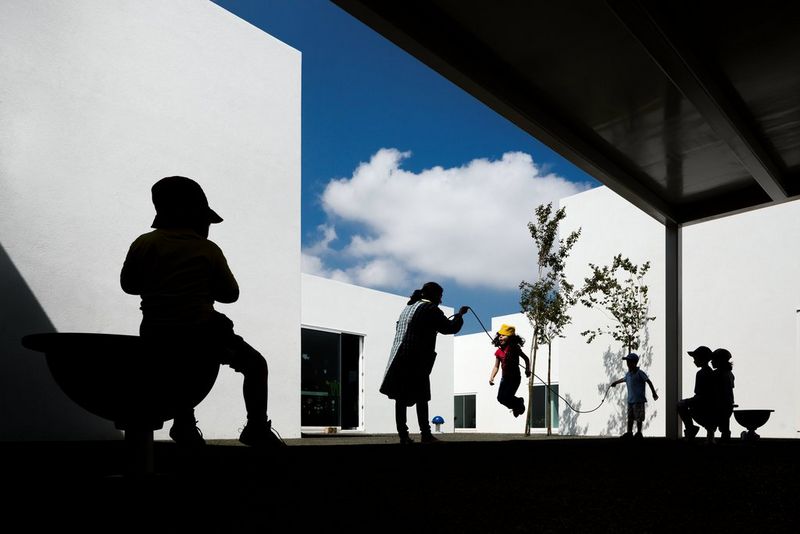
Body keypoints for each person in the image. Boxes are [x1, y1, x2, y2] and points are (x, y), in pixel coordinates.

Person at [120, 176, 284, 448]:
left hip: (155, 333)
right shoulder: (208, 250)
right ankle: (256, 426)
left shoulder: (144, 243)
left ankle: (184, 425)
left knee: (179, 372)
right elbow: (230, 294)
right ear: (196, 217)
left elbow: (129, 285)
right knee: (255, 365)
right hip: (201, 331)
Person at [380, 282, 469, 444]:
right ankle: (426, 434)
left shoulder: (408, 308)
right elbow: (449, 328)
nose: (441, 300)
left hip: (398, 358)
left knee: (400, 398)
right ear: (434, 295)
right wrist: (460, 315)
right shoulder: (430, 309)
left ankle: (403, 436)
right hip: (416, 359)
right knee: (422, 397)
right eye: (440, 296)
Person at [610, 352, 658, 439]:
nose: (627, 364)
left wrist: (654, 393)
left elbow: (648, 381)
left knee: (639, 417)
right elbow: (624, 379)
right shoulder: (628, 374)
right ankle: (629, 432)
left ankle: (639, 433)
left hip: (639, 400)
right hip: (630, 400)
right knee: (630, 417)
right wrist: (615, 382)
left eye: (629, 362)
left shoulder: (640, 373)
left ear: (635, 363)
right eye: (627, 362)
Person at [488, 324, 531, 417]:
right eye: (499, 335)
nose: (500, 337)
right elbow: (496, 366)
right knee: (500, 398)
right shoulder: (499, 352)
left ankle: (518, 403)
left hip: (514, 378)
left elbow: (526, 358)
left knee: (507, 397)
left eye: (503, 335)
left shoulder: (514, 348)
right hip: (505, 379)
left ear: (510, 338)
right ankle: (516, 405)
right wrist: (492, 377)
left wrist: (527, 369)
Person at [677, 345, 716, 442]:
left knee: (680, 405)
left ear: (702, 359)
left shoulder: (701, 374)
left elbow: (700, 395)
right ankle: (693, 430)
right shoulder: (711, 373)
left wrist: (687, 401)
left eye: (695, 358)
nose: (694, 361)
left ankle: (690, 429)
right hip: (709, 403)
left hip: (703, 402)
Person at [711, 348, 735, 441]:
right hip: (728, 403)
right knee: (725, 427)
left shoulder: (716, 374)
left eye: (713, 360)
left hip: (719, 404)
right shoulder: (730, 374)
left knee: (714, 426)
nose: (711, 362)